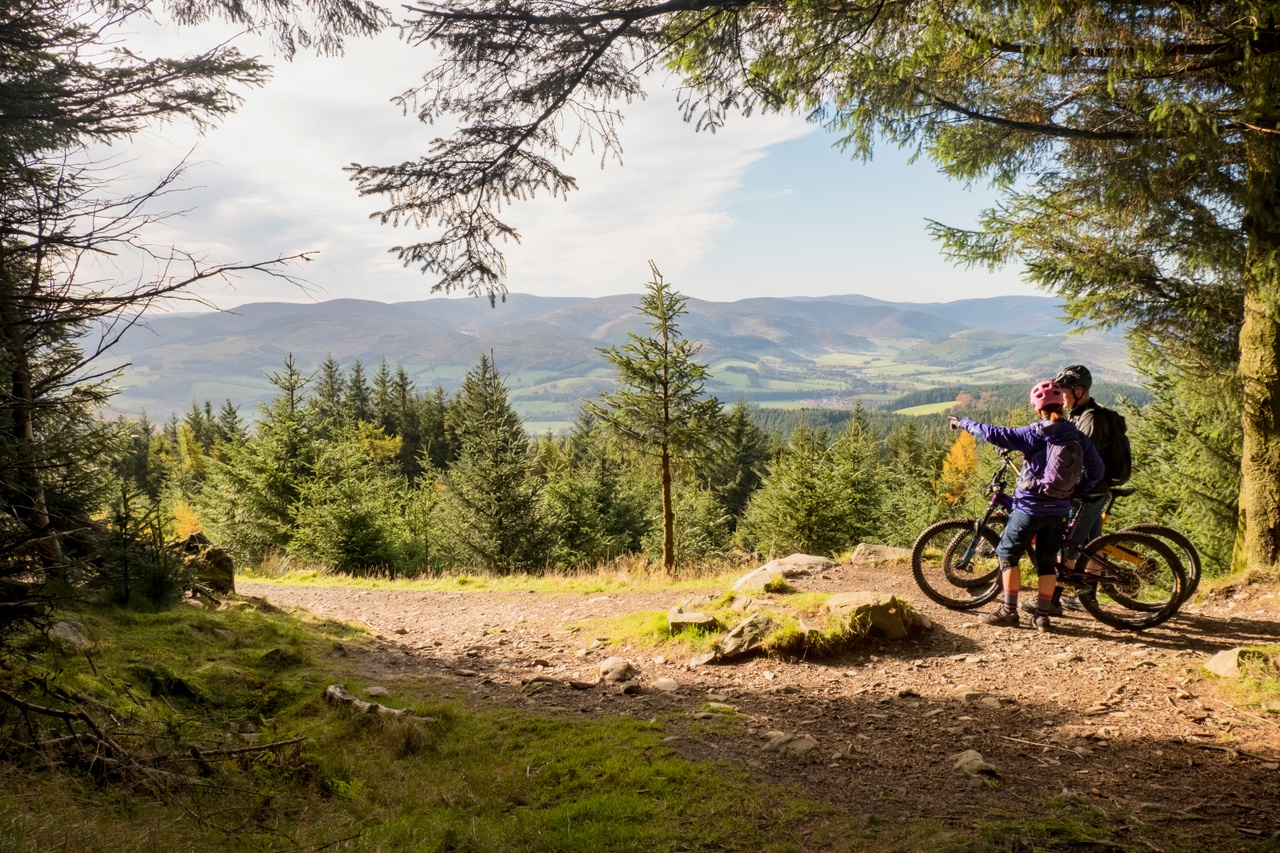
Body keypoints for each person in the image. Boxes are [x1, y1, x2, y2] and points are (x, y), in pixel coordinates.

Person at [949, 381, 1104, 632]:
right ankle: (1042, 617)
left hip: (1029, 509)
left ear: (1036, 408)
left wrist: (963, 422)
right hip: (1059, 511)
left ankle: (1009, 611)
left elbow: (991, 432)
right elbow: (1097, 470)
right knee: (1047, 562)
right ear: (1061, 405)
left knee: (1007, 554)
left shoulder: (1032, 433)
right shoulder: (1077, 435)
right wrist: (1076, 490)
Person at [1022, 364, 1115, 616]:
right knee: (1093, 545)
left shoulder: (1090, 418)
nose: (1059, 398)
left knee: (1069, 545)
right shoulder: (1081, 414)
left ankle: (1052, 601)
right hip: (1096, 489)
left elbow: (1081, 458)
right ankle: (1089, 597)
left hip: (1089, 491)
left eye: (1062, 392)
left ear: (1078, 391)